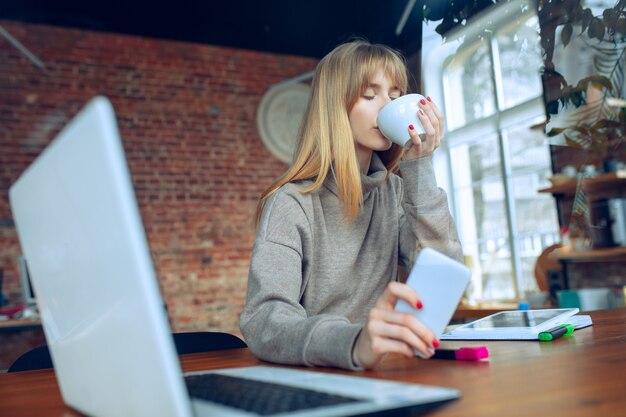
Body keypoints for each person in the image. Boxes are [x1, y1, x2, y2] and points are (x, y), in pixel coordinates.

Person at [240, 40, 462, 370]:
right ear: (334, 108)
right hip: (317, 377)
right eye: (370, 94)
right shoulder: (291, 204)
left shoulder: (397, 192)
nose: (387, 106)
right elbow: (265, 320)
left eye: (395, 95)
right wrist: (355, 343)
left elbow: (445, 273)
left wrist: (420, 167)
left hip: (386, 372)